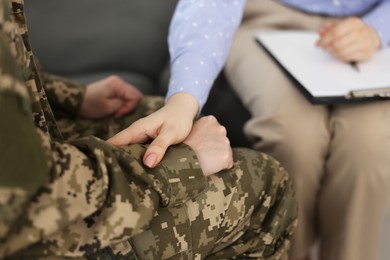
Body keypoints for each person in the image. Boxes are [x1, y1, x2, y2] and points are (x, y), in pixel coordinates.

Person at [0, 0, 298, 259]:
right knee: (267, 182)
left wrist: (67, 97)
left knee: (152, 114)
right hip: (33, 232)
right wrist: (184, 162)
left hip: (35, 163)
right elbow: (30, 197)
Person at [224, 1, 390, 260]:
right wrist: (185, 97)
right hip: (266, 19)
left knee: (369, 145)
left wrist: (378, 29)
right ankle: (286, 253)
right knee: (291, 137)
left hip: (370, 26)